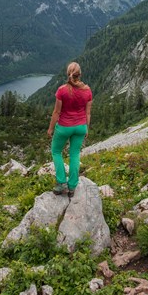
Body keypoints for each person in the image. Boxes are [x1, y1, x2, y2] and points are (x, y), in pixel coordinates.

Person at [47, 61, 92, 197]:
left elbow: (56, 112)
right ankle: (72, 187)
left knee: (56, 151)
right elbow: (88, 113)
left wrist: (50, 129)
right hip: (80, 127)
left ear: (68, 74)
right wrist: (86, 129)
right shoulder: (87, 91)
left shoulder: (62, 90)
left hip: (64, 126)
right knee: (74, 155)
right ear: (80, 74)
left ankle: (61, 183)